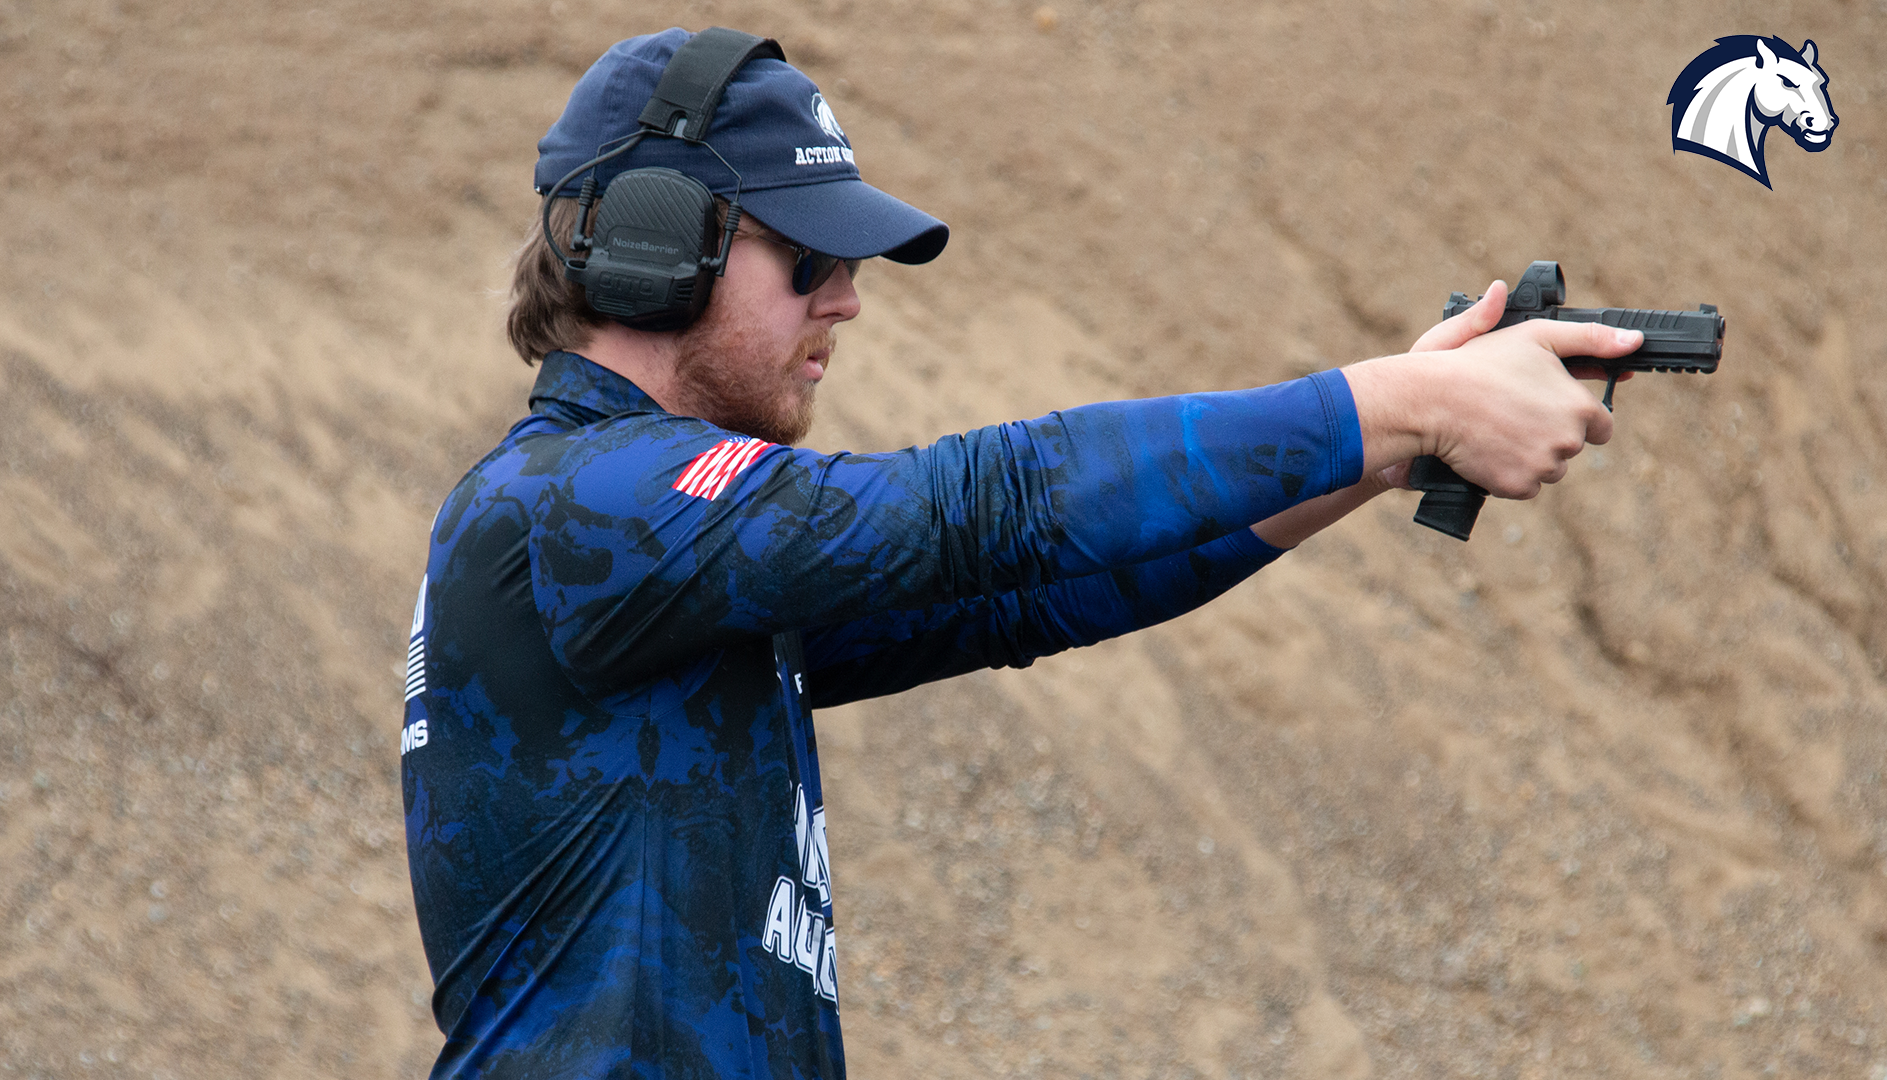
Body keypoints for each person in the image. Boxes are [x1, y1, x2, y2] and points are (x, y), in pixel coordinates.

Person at [399, 26, 1642, 1080]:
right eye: (808, 259)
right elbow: (981, 505)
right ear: (655, 248)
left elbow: (1027, 590)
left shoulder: (654, 545)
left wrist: (1367, 457)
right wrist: (1391, 406)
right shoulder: (576, 504)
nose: (847, 300)